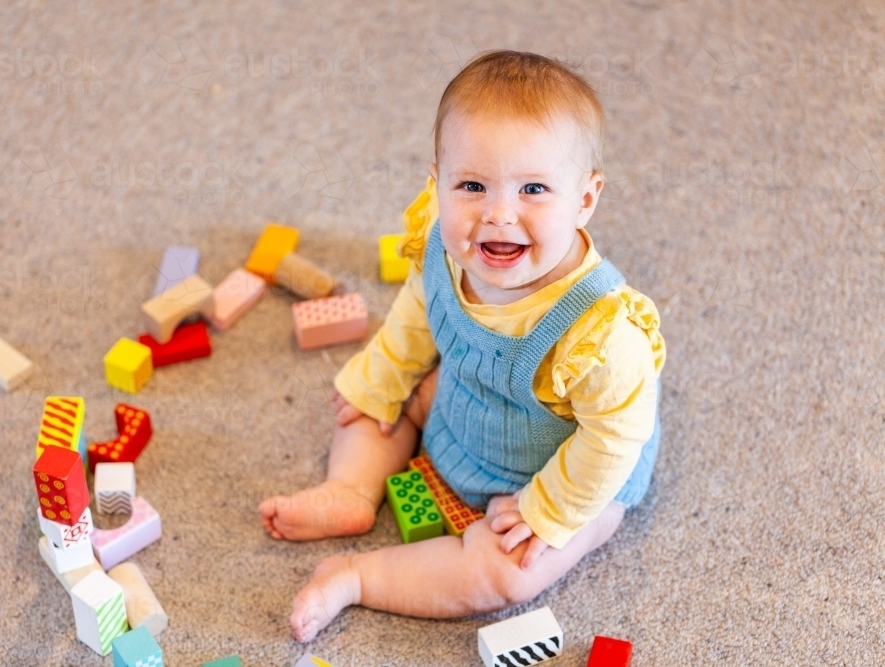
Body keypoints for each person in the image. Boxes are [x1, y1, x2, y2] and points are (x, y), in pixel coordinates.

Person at [259, 50, 666, 643]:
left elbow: (614, 437)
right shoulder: (444, 250)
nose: (498, 215)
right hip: (459, 407)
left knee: (508, 576)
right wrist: (381, 378)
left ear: (584, 199)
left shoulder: (601, 337)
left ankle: (356, 577)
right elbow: (419, 314)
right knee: (383, 403)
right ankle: (350, 489)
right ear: (438, 182)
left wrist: (547, 510)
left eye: (533, 189)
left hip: (566, 470)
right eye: (472, 185)